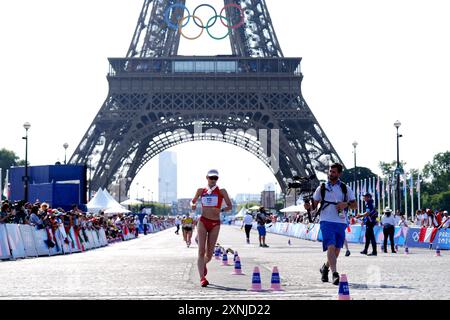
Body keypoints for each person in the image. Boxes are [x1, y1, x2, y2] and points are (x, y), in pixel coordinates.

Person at [304, 163, 357, 285]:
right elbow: (313, 206)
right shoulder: (321, 188)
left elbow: (355, 205)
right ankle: (335, 274)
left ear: (339, 174)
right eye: (330, 171)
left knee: (337, 250)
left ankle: (325, 267)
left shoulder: (345, 188)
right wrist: (308, 207)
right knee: (331, 246)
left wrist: (346, 204)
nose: (331, 174)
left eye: (333, 172)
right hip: (326, 221)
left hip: (341, 221)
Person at [190, 169, 232, 287]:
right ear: (206, 177)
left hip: (215, 224)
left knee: (209, 255)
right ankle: (202, 278)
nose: (213, 180)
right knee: (201, 251)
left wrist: (222, 210)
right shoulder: (200, 190)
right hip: (203, 221)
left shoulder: (222, 191)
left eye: (215, 178)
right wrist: (193, 205)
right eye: (211, 177)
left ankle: (203, 264)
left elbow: (230, 206)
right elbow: (192, 201)